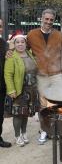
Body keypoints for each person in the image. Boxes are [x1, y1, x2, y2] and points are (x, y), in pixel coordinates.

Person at [6, 9, 62, 145]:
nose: (49, 22)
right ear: (41, 19)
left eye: (51, 19)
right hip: (41, 75)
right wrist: (9, 51)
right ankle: (45, 130)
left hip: (57, 75)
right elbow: (20, 47)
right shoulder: (32, 34)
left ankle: (58, 129)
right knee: (43, 105)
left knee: (58, 103)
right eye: (47, 19)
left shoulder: (58, 35)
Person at [4, 30, 38, 146]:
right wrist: (11, 90)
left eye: (22, 42)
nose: (20, 44)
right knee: (18, 114)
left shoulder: (29, 54)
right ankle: (17, 136)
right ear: (14, 43)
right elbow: (8, 75)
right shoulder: (11, 56)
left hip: (31, 89)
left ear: (25, 43)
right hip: (19, 90)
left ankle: (24, 133)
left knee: (26, 113)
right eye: (17, 42)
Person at [0, 19, 11, 148]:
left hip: (1, 86)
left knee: (0, 115)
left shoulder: (3, 43)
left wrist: (8, 53)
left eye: (1, 26)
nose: (0, 28)